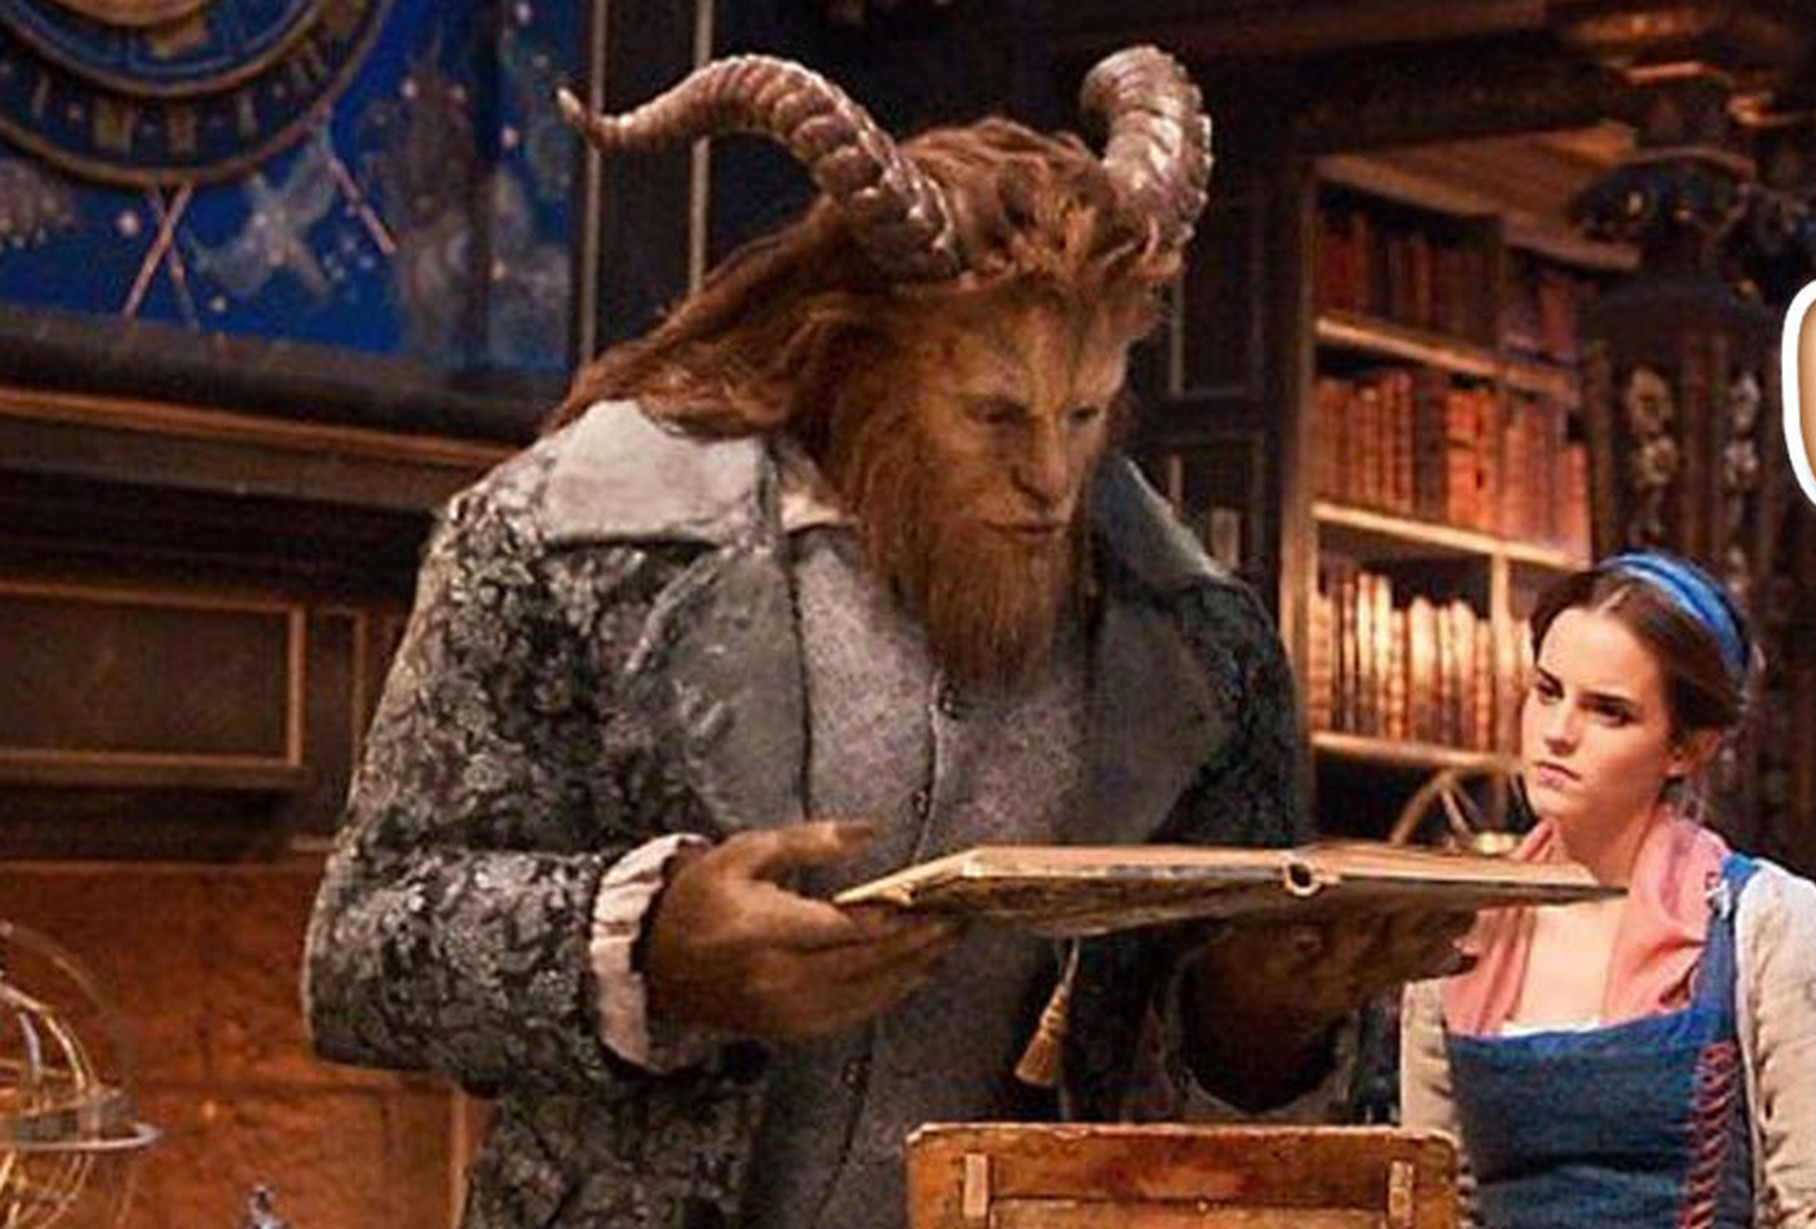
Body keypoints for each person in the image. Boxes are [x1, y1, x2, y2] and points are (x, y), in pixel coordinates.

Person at [303, 47, 1467, 1229]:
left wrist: (1261, 1014)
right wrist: (651, 947)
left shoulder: (1192, 643)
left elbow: (1198, 1102)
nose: (1051, 476)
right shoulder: (576, 546)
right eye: (992, 413)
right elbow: (359, 950)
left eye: (1084, 411)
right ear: (855, 357)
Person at [1400, 552, 1816, 1228]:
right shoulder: (1457, 933)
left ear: (1687, 748)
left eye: (1609, 712)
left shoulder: (1767, 924)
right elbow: (1437, 1202)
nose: (1558, 732)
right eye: (1547, 691)